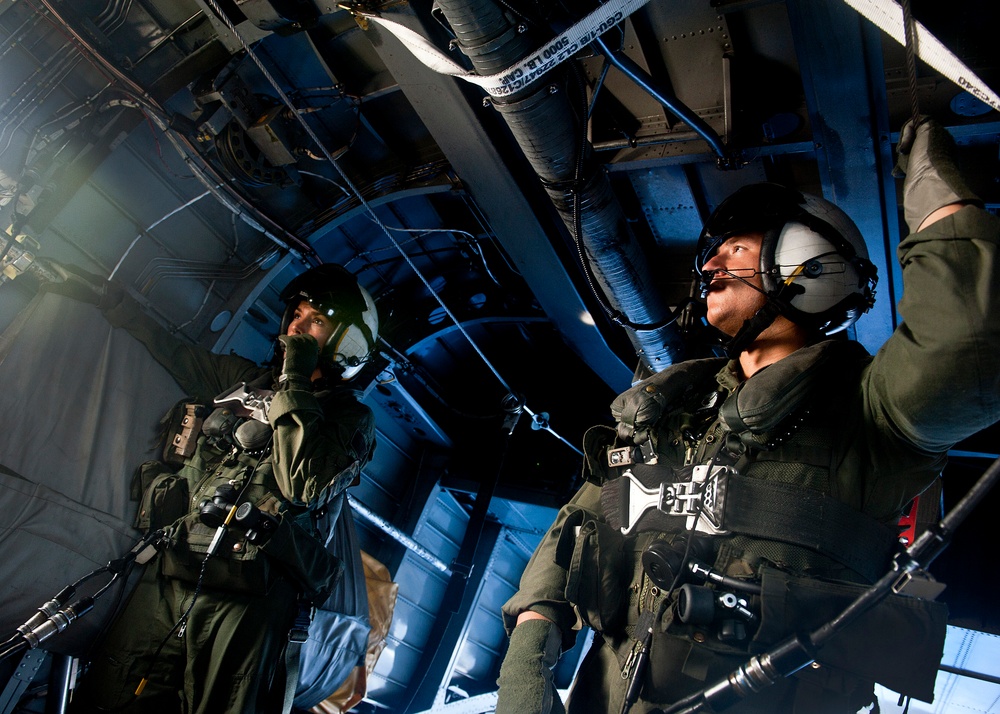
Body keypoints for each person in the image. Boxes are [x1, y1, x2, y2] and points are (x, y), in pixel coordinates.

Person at [495, 117, 1000, 714]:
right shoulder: (667, 417)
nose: (707, 268)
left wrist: (936, 193)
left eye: (734, 249)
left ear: (806, 262)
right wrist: (526, 670)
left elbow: (969, 347)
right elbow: (573, 537)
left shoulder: (874, 410)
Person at [50, 263, 379, 713]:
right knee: (109, 693)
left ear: (347, 343)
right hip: (173, 569)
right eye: (296, 314)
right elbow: (172, 350)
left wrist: (295, 380)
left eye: (316, 321)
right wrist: (110, 299)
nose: (296, 327)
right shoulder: (242, 380)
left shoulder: (350, 420)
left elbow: (303, 484)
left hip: (249, 602)